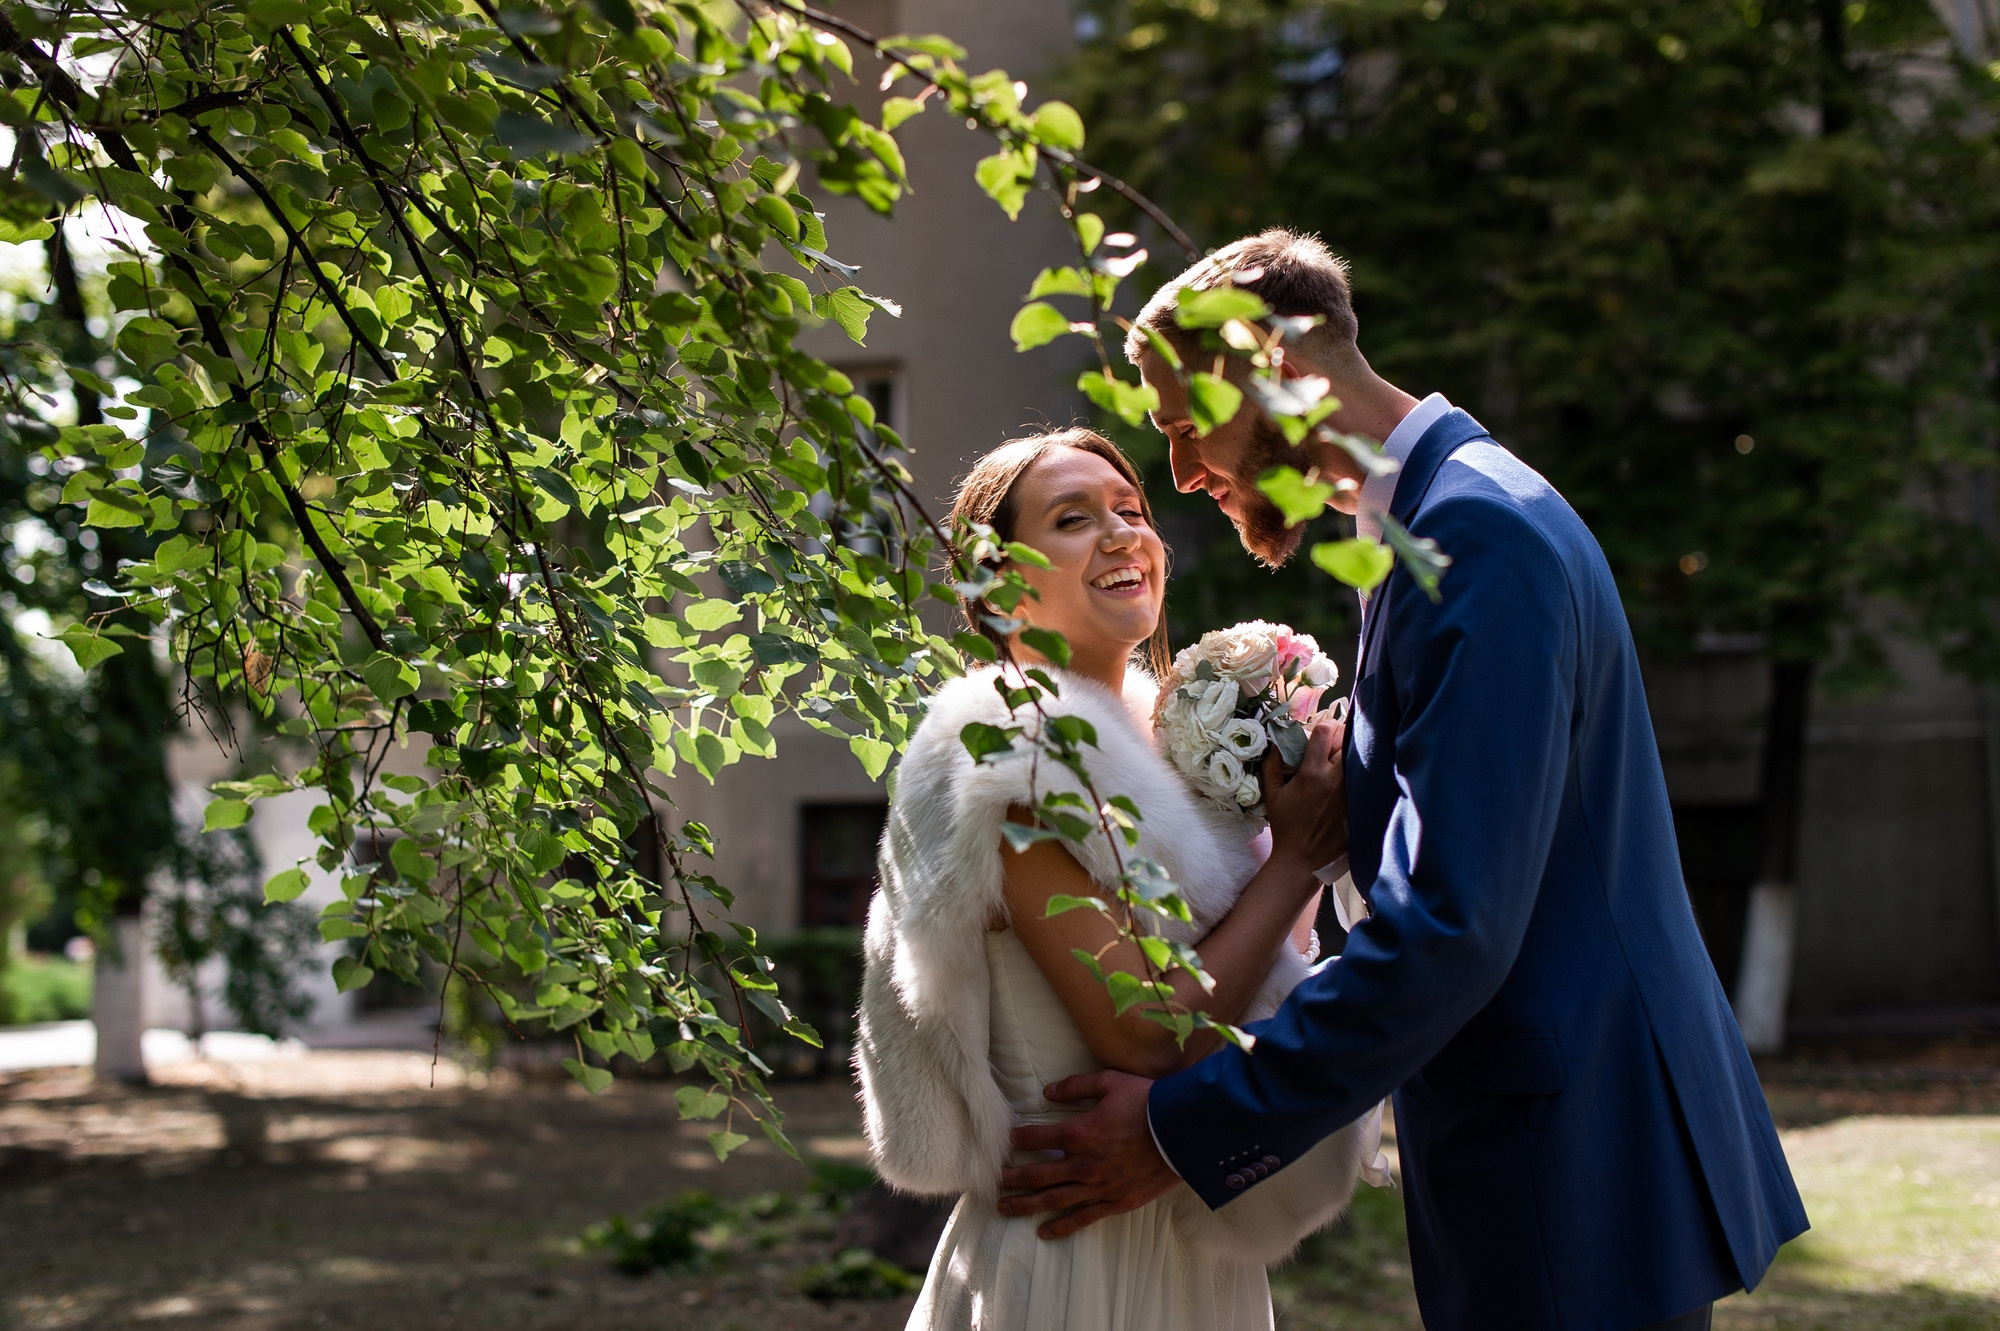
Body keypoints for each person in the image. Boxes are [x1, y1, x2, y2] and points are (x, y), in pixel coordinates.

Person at [993, 231, 1810, 1331]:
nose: (1182, 474)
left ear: (1270, 371)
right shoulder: (1433, 522)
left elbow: (1451, 924)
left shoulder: (1470, 537)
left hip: (1564, 1163)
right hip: (1550, 1144)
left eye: (1186, 429)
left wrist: (1183, 1127)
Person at [855, 428, 1376, 1329]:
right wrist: (1293, 859)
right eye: (1073, 518)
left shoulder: (1182, 755)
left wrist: (1285, 799)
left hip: (1197, 1241)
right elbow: (1145, 1032)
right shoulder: (1012, 751)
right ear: (999, 578)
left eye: (1131, 511)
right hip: (1071, 1255)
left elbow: (1270, 975)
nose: (1122, 533)